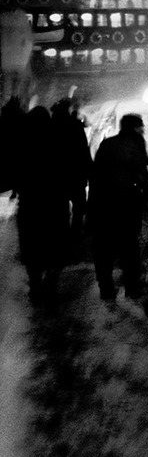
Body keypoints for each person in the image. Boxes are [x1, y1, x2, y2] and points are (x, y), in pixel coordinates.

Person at [87, 113, 148, 301]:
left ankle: (106, 289)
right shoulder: (136, 144)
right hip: (127, 204)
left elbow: (96, 174)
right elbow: (141, 173)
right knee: (129, 247)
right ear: (134, 127)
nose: (143, 129)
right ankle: (132, 288)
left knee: (104, 248)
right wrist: (143, 193)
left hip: (103, 204)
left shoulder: (108, 144)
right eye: (140, 125)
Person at [14, 105, 71, 306]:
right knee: (55, 245)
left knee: (32, 247)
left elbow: (13, 172)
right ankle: (52, 284)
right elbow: (69, 170)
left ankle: (36, 286)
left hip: (30, 205)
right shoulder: (59, 141)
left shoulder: (21, 143)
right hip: (56, 204)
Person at [51, 98, 92, 244]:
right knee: (78, 205)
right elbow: (83, 149)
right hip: (76, 172)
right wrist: (89, 169)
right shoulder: (75, 125)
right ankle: (75, 232)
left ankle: (61, 233)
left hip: (57, 174)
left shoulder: (50, 126)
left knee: (60, 205)